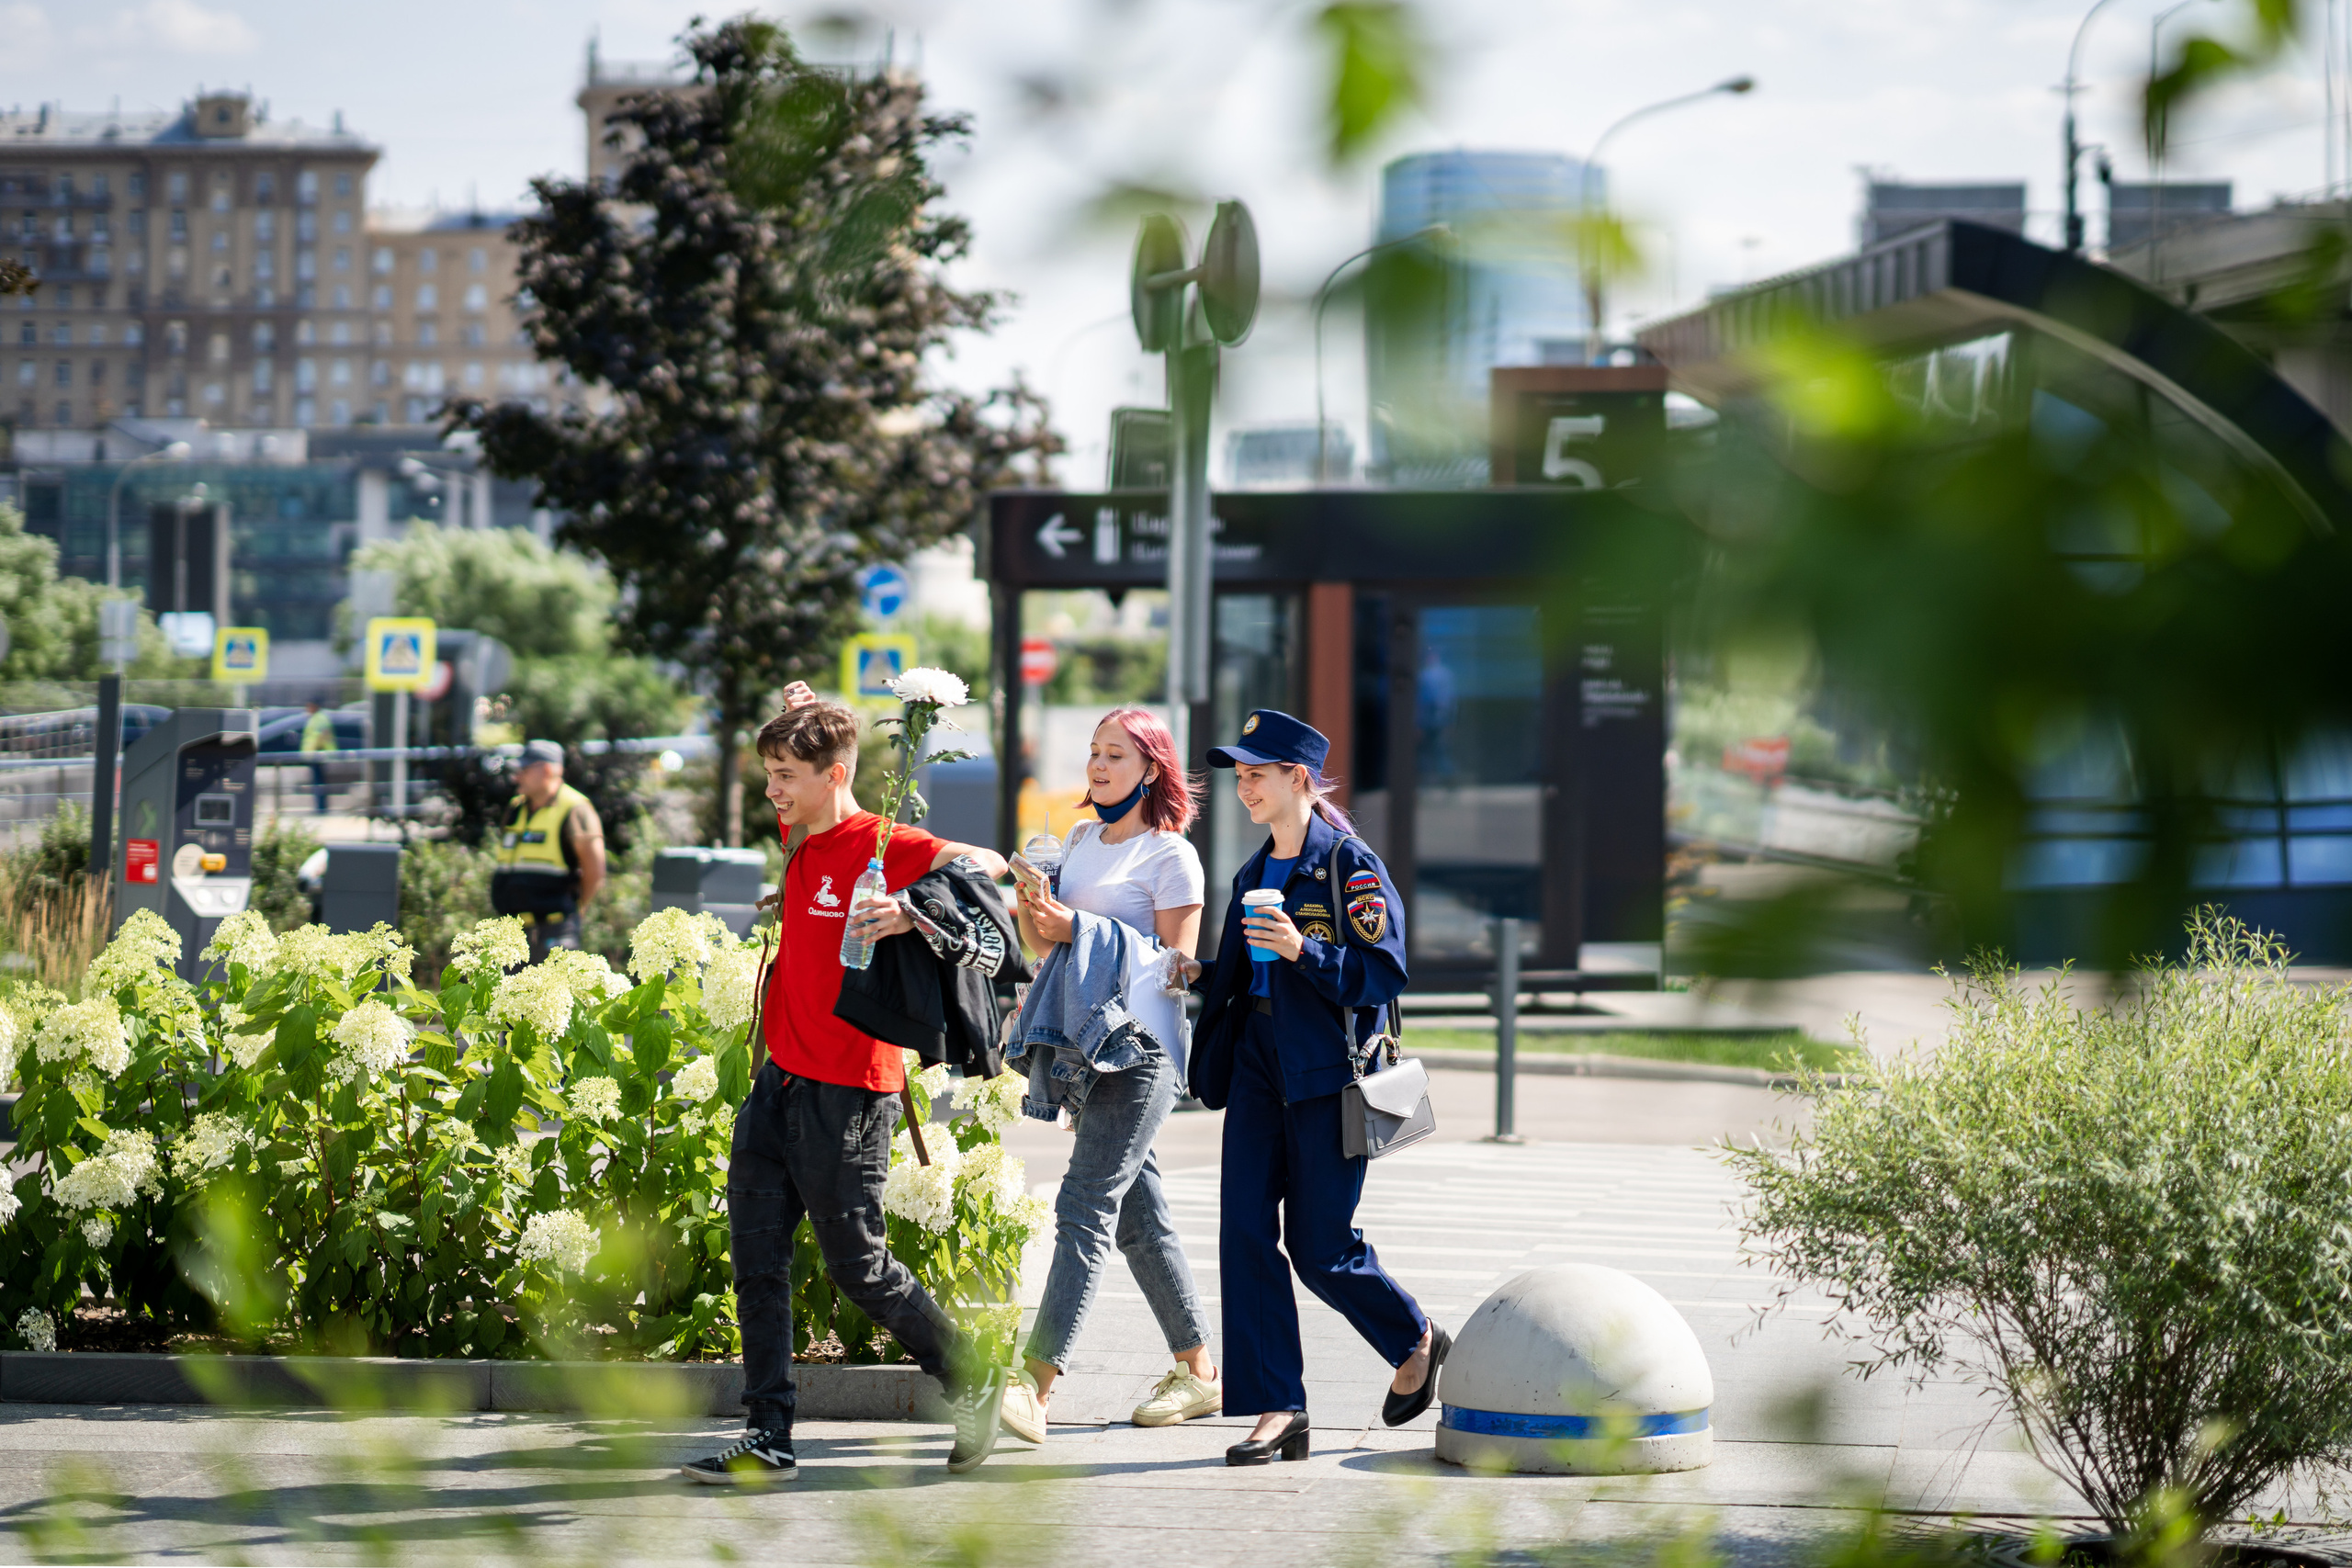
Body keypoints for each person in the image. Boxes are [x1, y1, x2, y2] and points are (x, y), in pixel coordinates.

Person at [683, 690, 1016, 1486]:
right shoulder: (801, 832)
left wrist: (913, 909)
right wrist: (800, 703)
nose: (773, 791)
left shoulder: (885, 843)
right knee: (754, 1261)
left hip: (850, 1092)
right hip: (778, 1085)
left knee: (858, 1267)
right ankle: (768, 1433)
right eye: (767, 774)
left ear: (836, 775)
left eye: (785, 775)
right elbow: (808, 740)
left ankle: (969, 1373)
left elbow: (989, 866)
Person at [1181, 708, 1448, 1467]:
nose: (1245, 789)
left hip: (1330, 1070)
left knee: (1320, 1244)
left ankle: (1415, 1334)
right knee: (1243, 1231)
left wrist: (1305, 951)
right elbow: (1234, 975)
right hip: (1260, 1061)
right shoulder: (1251, 871)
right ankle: (1280, 1406)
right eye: (1240, 776)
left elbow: (1384, 970)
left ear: (1299, 778)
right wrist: (1195, 971)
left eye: (1257, 775)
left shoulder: (1348, 865)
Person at [998, 707, 1219, 1447]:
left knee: (1084, 1203)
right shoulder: (1084, 840)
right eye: (1093, 751)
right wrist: (1038, 909)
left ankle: (1034, 1383)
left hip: (1143, 1049)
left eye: (1115, 754)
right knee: (1138, 1215)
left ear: (1151, 768)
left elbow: (1174, 965)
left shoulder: (1171, 856)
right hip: (1083, 1047)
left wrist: (1079, 930)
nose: (1097, 765)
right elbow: (1043, 939)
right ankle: (1199, 1372)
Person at [487, 739, 607, 965]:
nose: (516, 777)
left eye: (523, 770)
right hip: (512, 932)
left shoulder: (575, 808)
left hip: (554, 931)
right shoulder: (516, 808)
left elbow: (595, 870)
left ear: (547, 770)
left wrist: (576, 909)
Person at [299, 700, 336, 816]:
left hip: (318, 755)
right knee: (318, 782)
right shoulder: (317, 718)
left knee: (318, 782)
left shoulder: (319, 718)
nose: (307, 709)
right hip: (316, 755)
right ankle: (320, 807)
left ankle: (321, 808)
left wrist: (314, 751)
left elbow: (322, 735)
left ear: (315, 706)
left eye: (309, 706)